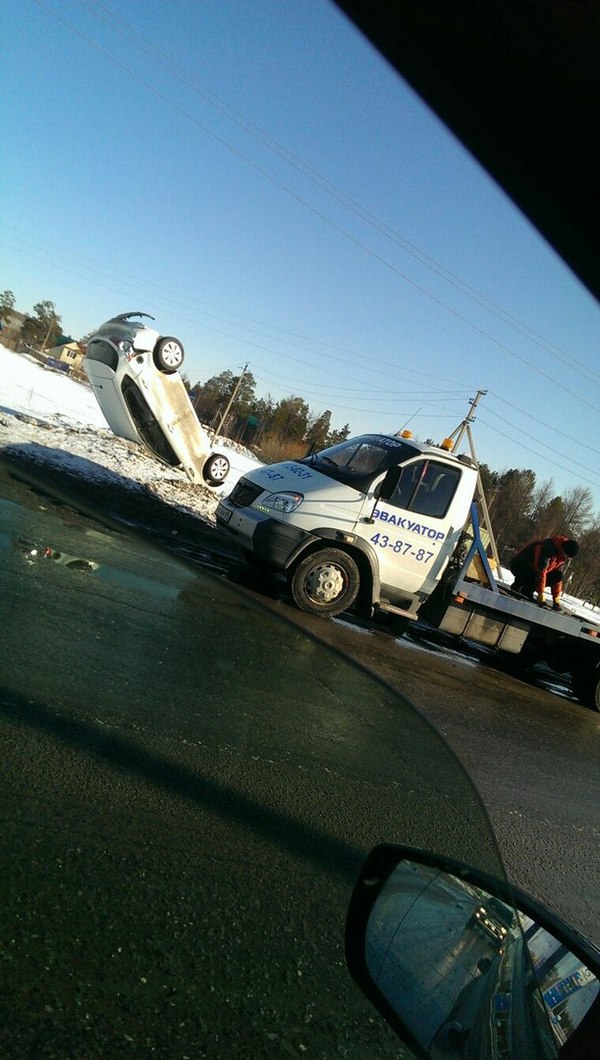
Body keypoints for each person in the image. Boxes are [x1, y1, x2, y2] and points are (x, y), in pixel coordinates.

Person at [510, 536, 579, 611]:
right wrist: (541, 594)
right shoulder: (547, 548)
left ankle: (527, 590)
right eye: (568, 556)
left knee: (558, 576)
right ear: (564, 551)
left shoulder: (561, 557)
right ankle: (518, 585)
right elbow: (541, 571)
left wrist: (556, 599)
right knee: (535, 574)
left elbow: (557, 580)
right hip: (519, 565)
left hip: (535, 571)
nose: (568, 558)